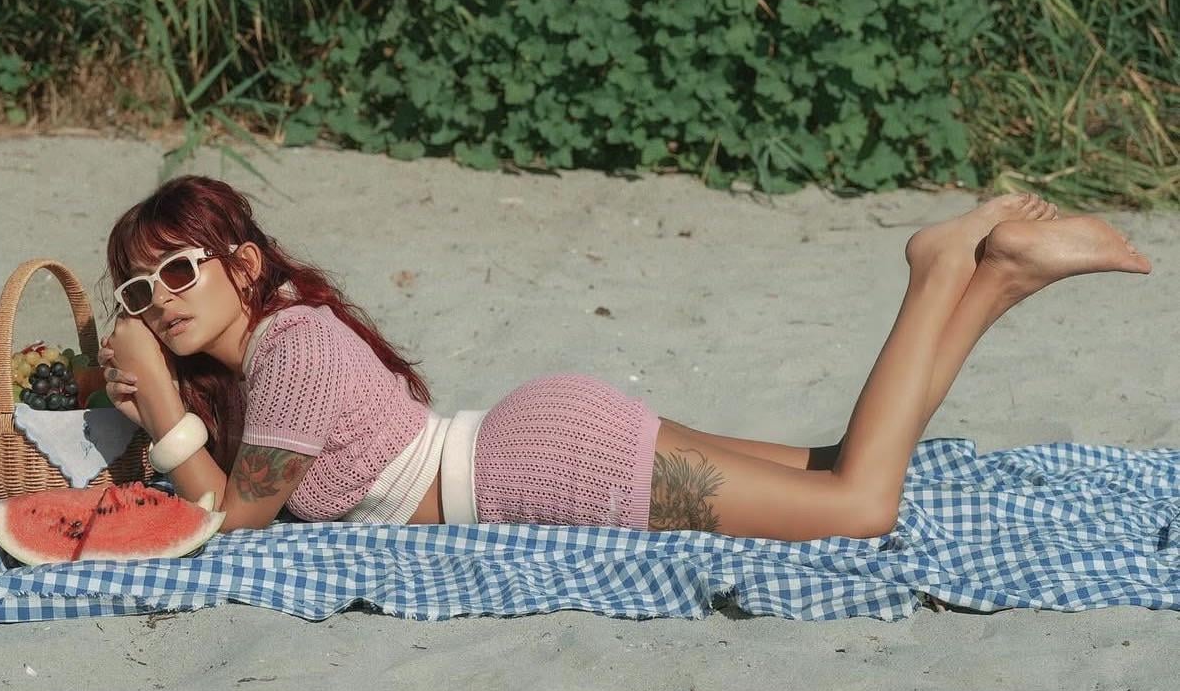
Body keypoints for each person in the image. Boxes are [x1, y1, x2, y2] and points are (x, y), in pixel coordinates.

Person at [97, 175, 1152, 541]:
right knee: (837, 465)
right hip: (536, 439)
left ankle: (935, 269)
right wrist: (153, 407)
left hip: (549, 469)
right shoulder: (277, 352)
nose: (161, 302)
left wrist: (161, 406)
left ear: (243, 262)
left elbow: (232, 521)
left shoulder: (291, 346)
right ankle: (997, 280)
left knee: (860, 506)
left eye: (178, 271)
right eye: (139, 292)